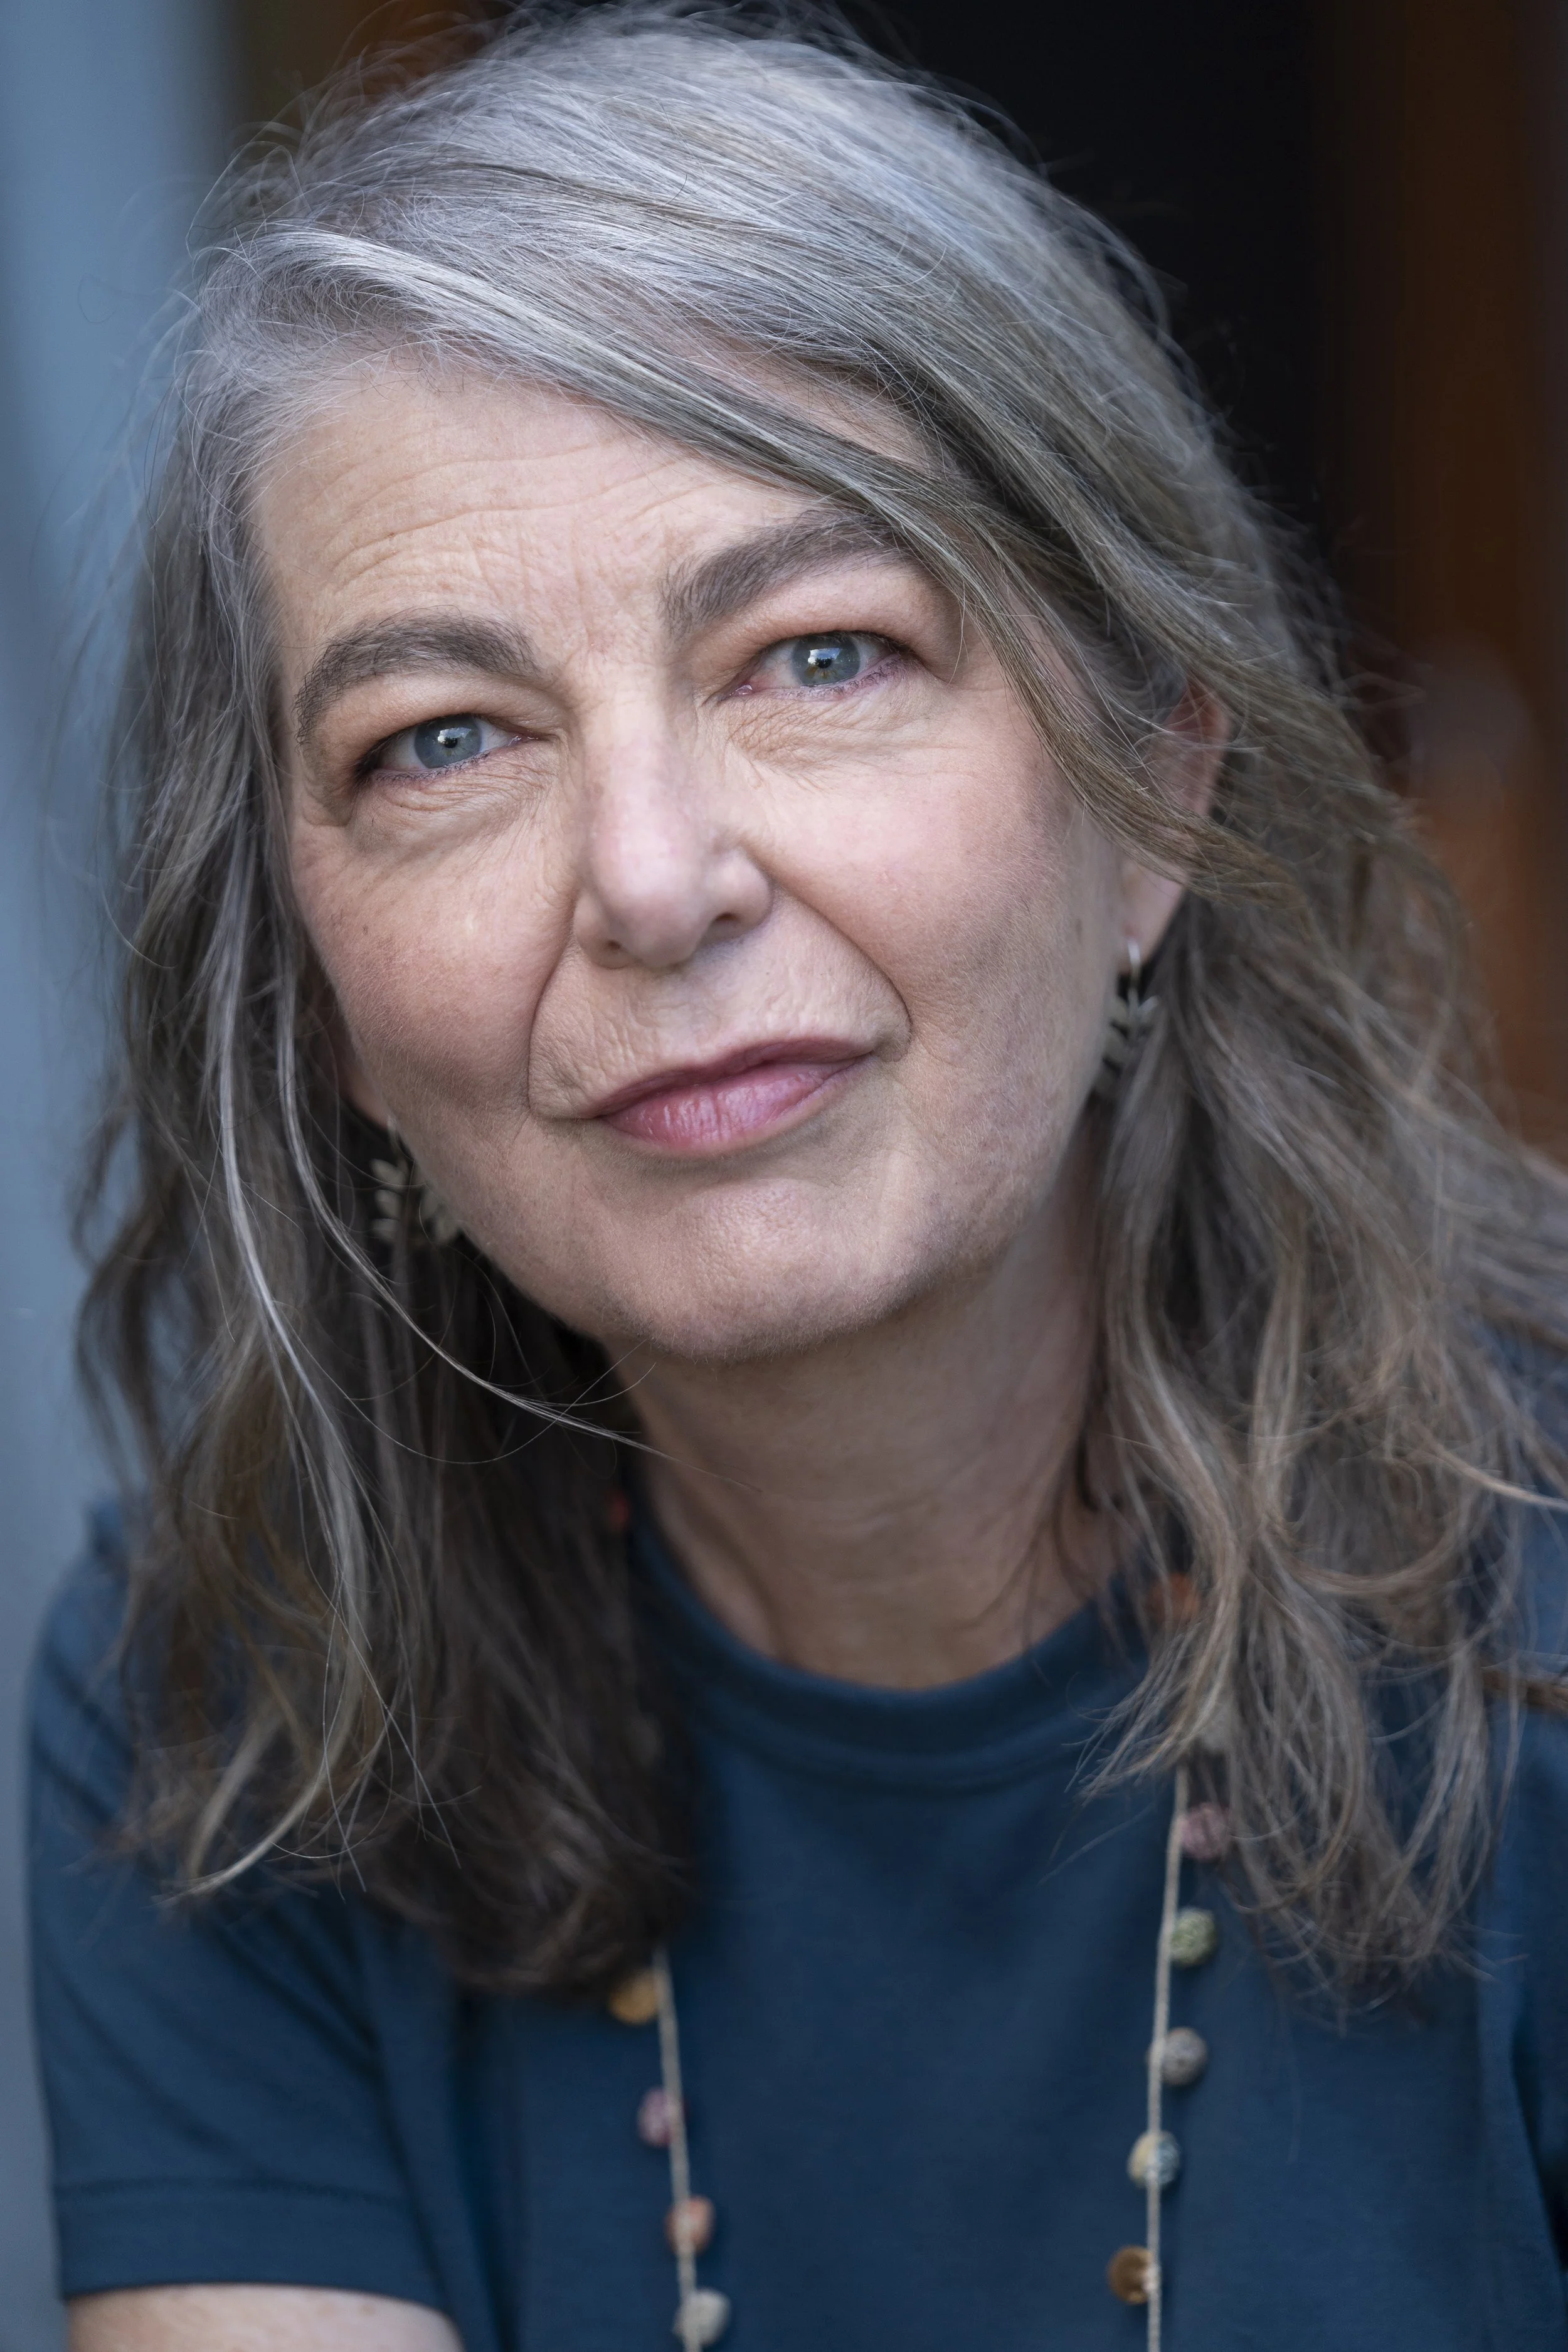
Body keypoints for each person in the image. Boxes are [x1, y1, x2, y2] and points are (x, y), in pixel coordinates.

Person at [28, 7, 1568, 2348]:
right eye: (442, 740)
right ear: (315, 992)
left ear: (1152, 797)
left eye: (819, 653)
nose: (654, 878)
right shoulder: (236, 1700)